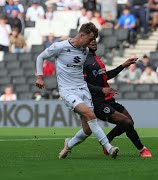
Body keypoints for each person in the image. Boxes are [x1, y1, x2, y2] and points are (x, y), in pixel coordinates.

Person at [35, 22, 119, 159]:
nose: (92, 42)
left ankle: (69, 144)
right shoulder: (60, 46)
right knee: (91, 116)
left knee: (87, 129)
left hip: (83, 89)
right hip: (68, 91)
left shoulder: (85, 51)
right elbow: (40, 57)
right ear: (82, 35)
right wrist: (40, 77)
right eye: (90, 39)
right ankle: (109, 148)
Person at [83, 40, 152, 157]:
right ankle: (142, 149)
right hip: (97, 102)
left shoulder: (96, 59)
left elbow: (105, 77)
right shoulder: (84, 61)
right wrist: (101, 90)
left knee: (129, 122)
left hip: (108, 99)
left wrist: (123, 66)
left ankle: (107, 142)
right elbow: (83, 84)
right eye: (89, 40)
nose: (93, 42)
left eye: (94, 39)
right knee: (126, 122)